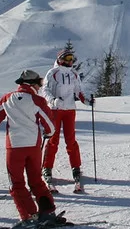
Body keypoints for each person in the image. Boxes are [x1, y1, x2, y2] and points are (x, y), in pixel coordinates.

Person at [0, 69, 65, 228]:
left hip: (15, 146)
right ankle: (48, 212)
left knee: (16, 183)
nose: (39, 87)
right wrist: (48, 133)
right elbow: (50, 125)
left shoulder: (7, 99)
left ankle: (30, 216)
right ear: (32, 84)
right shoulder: (37, 100)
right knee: (36, 180)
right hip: (33, 146)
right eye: (38, 83)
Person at [41, 49, 93, 192]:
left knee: (71, 140)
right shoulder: (52, 73)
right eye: (68, 58)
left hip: (69, 109)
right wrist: (53, 100)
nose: (70, 61)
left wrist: (86, 101)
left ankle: (76, 167)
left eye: (72, 58)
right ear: (60, 59)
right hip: (55, 110)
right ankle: (46, 167)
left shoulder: (74, 74)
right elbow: (45, 90)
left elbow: (78, 90)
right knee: (53, 140)